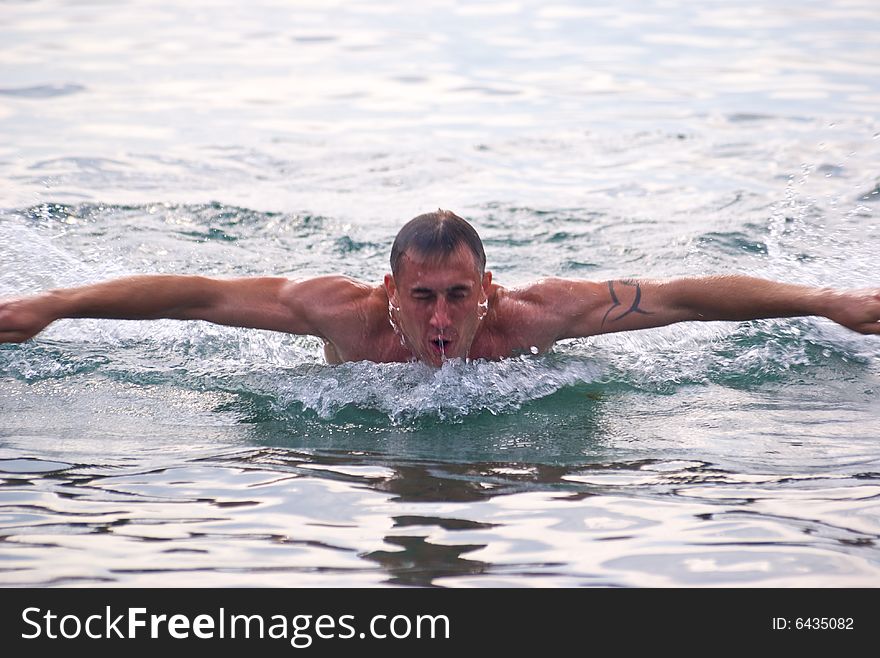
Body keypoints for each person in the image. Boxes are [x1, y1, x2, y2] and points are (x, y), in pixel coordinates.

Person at [1, 209, 878, 366]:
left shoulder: (538, 319)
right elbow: (194, 296)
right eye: (422, 298)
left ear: (488, 288)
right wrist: (49, 307)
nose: (442, 317)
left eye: (460, 295)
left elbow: (685, 296)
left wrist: (827, 302)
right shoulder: (337, 315)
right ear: (389, 292)